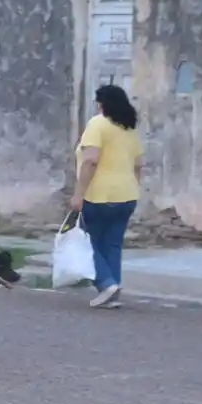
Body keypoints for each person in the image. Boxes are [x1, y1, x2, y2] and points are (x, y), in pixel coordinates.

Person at [69, 83, 144, 309]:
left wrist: (78, 194)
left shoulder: (97, 124)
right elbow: (139, 164)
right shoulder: (129, 129)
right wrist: (132, 187)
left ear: (101, 103)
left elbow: (91, 160)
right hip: (127, 194)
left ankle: (105, 282)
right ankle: (112, 288)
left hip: (100, 194)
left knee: (87, 243)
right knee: (112, 244)